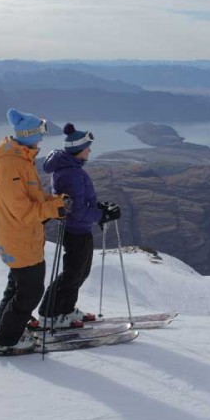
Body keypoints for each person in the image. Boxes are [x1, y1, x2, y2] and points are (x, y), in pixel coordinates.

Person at [0, 109, 68, 352]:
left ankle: (7, 329)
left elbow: (33, 196)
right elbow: (22, 210)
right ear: (29, 134)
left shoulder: (21, 158)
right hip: (20, 238)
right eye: (40, 133)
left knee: (17, 288)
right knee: (30, 293)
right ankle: (9, 339)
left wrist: (56, 202)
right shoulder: (11, 164)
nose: (42, 138)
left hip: (25, 238)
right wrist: (54, 210)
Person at [38, 122, 121, 329]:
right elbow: (76, 211)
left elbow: (78, 203)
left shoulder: (71, 169)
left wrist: (97, 207)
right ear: (78, 150)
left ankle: (65, 310)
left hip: (79, 229)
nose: (90, 150)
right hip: (76, 230)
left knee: (79, 272)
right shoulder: (71, 174)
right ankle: (49, 314)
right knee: (72, 274)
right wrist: (101, 214)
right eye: (87, 147)